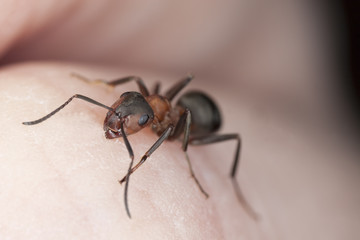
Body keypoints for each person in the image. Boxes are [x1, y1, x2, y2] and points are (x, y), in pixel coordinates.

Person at [0, 1, 359, 239]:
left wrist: (161, 162)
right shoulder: (141, 99)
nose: (119, 120)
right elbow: (135, 97)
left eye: (126, 119)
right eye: (122, 112)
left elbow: (174, 116)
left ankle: (222, 179)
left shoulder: (166, 121)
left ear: (145, 121)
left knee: (214, 129)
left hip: (203, 119)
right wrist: (102, 89)